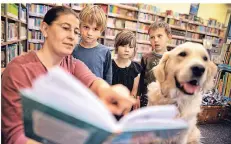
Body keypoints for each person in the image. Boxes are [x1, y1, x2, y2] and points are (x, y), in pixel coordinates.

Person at [1, 6, 135, 144]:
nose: (72, 36)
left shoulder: (73, 64)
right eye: (65, 28)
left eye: (76, 32)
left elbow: (94, 82)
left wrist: (110, 91)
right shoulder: (18, 70)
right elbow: (15, 135)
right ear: (45, 29)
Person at [72, 5, 112, 84]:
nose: (90, 33)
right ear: (79, 27)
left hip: (95, 95)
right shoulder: (72, 49)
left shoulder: (105, 52)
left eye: (95, 29)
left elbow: (108, 80)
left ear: (101, 32)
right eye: (86, 27)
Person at [137, 21, 172, 107]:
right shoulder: (146, 58)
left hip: (166, 101)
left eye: (159, 36)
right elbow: (141, 80)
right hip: (146, 100)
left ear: (169, 37)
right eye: (152, 37)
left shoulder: (173, 59)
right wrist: (137, 97)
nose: (155, 40)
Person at [112, 30, 142, 120]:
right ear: (117, 46)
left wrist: (127, 109)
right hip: (110, 105)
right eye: (123, 46)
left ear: (134, 49)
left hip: (126, 108)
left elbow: (133, 92)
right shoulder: (109, 65)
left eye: (130, 47)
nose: (127, 50)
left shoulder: (136, 68)